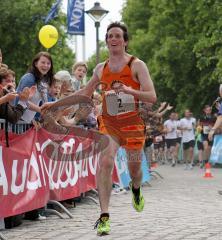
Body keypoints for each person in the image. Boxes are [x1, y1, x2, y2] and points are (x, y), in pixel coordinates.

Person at [41, 22, 156, 235]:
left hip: (132, 125)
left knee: (135, 170)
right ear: (107, 41)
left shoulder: (137, 65)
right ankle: (104, 216)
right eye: (110, 36)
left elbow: (152, 96)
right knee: (105, 161)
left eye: (118, 36)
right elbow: (84, 93)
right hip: (109, 124)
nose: (113, 39)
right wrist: (54, 105)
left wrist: (130, 90)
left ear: (125, 41)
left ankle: (136, 188)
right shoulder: (100, 69)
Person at [16, 51, 54, 123]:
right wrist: (40, 110)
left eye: (48, 63)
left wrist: (33, 120)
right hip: (18, 121)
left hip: (26, 122)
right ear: (36, 64)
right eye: (43, 62)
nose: (46, 65)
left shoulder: (42, 82)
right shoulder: (29, 78)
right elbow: (21, 99)